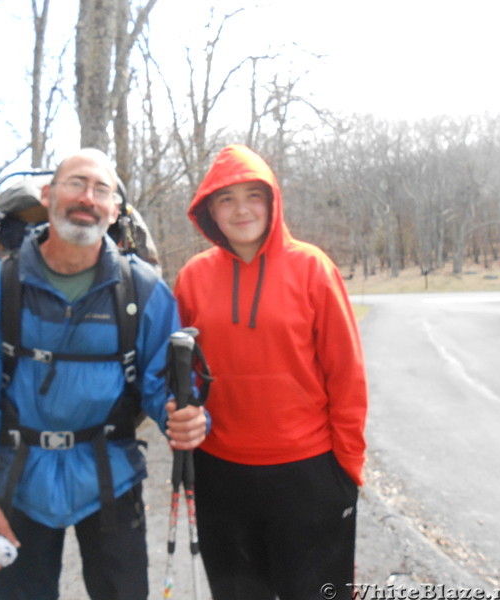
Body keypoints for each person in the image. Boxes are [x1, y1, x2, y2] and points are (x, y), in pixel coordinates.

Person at [0, 148, 207, 600]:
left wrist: (183, 417)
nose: (87, 197)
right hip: (20, 478)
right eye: (76, 183)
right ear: (48, 195)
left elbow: (162, 385)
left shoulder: (143, 289)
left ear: (114, 211)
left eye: (101, 190)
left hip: (111, 473)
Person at [173, 144, 368, 600]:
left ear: (272, 201)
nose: (241, 209)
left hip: (310, 472)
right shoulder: (193, 278)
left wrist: (348, 468)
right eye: (226, 198)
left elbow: (347, 376)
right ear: (209, 211)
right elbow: (181, 376)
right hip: (221, 472)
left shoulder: (313, 269)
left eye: (252, 195)